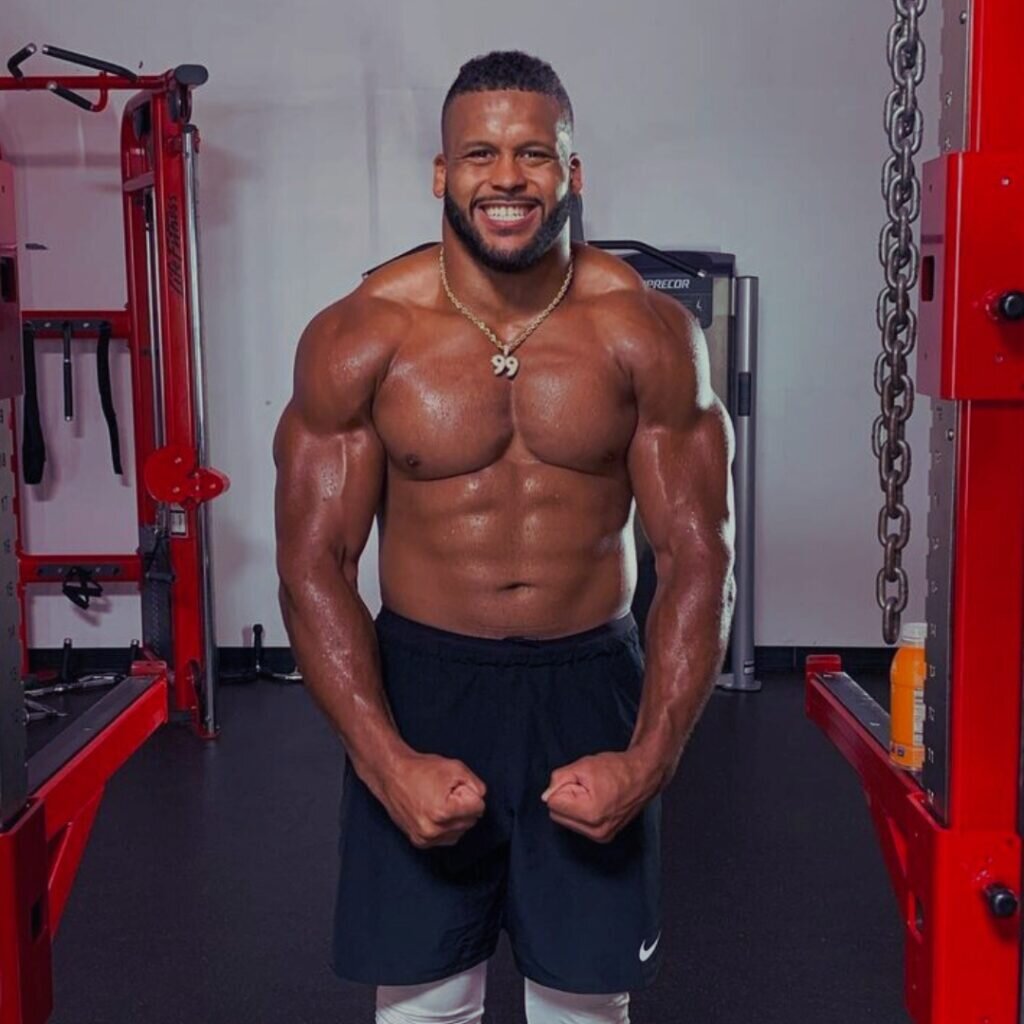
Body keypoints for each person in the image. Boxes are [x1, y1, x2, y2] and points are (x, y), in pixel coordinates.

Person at [274, 50, 735, 1024]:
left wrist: (648, 759)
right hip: (423, 681)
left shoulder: (645, 332)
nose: (508, 177)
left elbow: (699, 555)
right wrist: (386, 760)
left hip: (588, 682)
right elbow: (314, 562)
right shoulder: (362, 334)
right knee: (422, 1001)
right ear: (442, 174)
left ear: (572, 171)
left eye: (534, 152)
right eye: (480, 154)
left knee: (585, 1001)